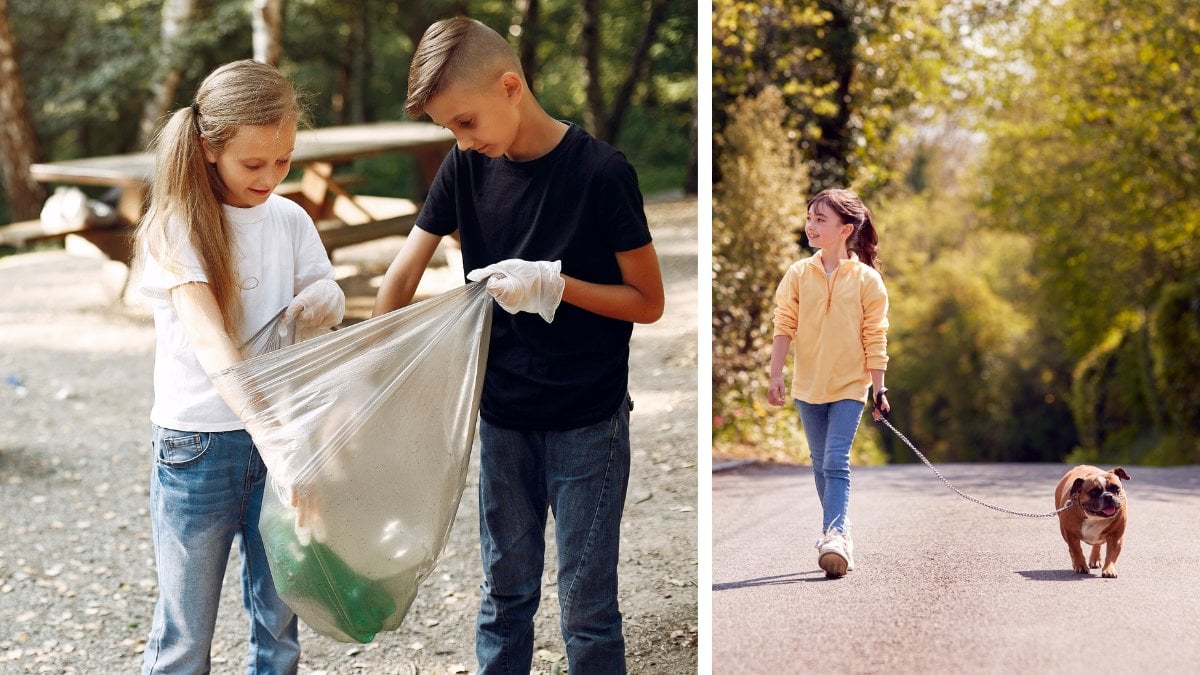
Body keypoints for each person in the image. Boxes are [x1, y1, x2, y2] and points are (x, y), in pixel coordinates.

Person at [373, 16, 664, 674]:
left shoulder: (602, 173)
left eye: (466, 122)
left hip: (589, 422)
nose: (462, 140)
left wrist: (556, 285)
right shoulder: (465, 168)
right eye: (450, 128)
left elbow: (649, 301)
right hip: (503, 418)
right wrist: (374, 376)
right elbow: (401, 275)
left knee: (587, 609)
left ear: (511, 87)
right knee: (505, 597)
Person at [135, 59, 345, 673]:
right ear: (208, 148)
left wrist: (325, 302)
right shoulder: (176, 226)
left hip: (278, 435)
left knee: (279, 624)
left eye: (284, 161)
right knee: (185, 635)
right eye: (254, 164)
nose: (272, 177)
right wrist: (278, 447)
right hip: (197, 447)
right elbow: (212, 346)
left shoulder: (290, 218)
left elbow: (320, 295)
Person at [766, 187, 891, 579]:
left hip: (851, 386)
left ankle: (834, 534)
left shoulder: (868, 281)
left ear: (845, 229)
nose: (811, 226)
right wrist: (775, 375)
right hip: (808, 385)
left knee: (835, 460)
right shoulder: (799, 274)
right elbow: (784, 325)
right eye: (809, 218)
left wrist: (879, 386)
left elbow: (876, 336)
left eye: (821, 219)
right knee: (819, 464)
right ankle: (841, 534)